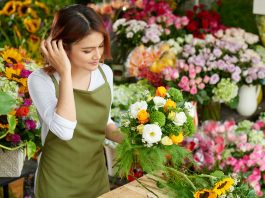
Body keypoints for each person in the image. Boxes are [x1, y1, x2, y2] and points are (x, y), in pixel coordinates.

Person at [28, 4, 123, 198]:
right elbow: (64, 130)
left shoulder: (105, 74)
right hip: (57, 183)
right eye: (87, 50)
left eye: (100, 46)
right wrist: (65, 73)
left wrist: (140, 140)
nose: (97, 56)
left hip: (96, 178)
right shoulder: (41, 80)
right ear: (63, 48)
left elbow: (104, 123)